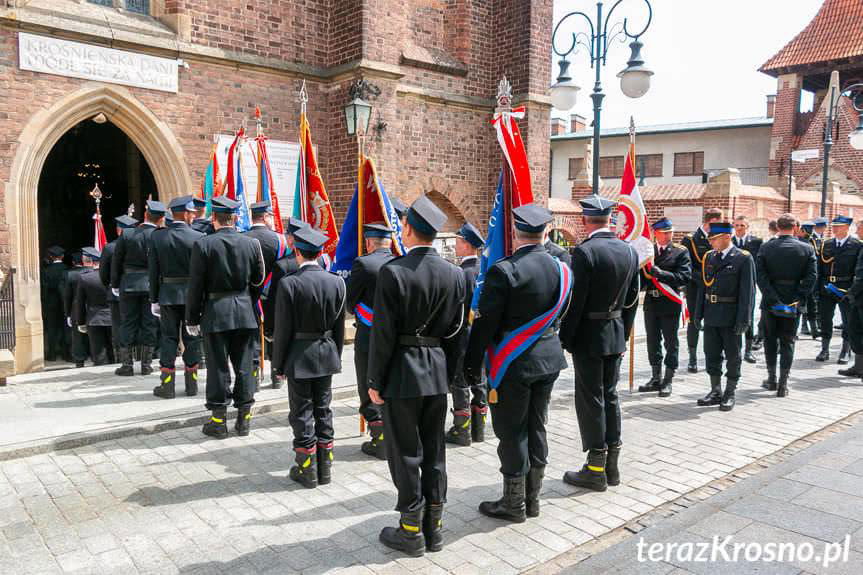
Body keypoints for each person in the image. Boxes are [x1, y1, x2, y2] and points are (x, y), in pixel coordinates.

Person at [366, 195, 466, 556]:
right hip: (436, 371)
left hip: (403, 373)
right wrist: (450, 376)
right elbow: (457, 333)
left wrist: (375, 382)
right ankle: (434, 527)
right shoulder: (455, 274)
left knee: (406, 453)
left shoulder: (393, 272)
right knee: (434, 451)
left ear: (407, 229)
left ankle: (411, 530)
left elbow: (383, 335)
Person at [465, 204, 571, 522]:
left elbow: (485, 325)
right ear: (544, 232)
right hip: (550, 358)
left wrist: (472, 365)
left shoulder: (504, 270)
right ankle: (533, 499)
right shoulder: (561, 267)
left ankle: (514, 505)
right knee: (537, 426)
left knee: (512, 431)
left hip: (515, 363)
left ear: (514, 232)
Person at [560, 195, 639, 493]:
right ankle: (612, 465)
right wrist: (624, 333)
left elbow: (575, 303)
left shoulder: (584, 253)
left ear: (584, 220)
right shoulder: (629, 251)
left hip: (589, 335)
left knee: (591, 399)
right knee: (610, 396)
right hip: (616, 332)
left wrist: (566, 338)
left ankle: (595, 468)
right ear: (610, 219)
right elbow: (632, 300)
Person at [272, 226, 346, 489]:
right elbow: (338, 326)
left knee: (302, 412)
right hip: (326, 352)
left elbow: (282, 330)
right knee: (323, 409)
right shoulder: (336, 281)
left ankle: (307, 470)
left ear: (297, 252)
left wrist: (278, 364)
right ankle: (325, 469)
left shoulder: (290, 283)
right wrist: (335, 354)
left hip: (299, 355)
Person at [186, 196, 265, 439]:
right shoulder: (251, 244)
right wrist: (246, 299)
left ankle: (218, 422)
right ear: (236, 217)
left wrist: (191, 318)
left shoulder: (204, 244)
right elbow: (258, 279)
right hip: (243, 311)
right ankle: (244, 420)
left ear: (214, 219)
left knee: (218, 367)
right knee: (244, 366)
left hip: (215, 311)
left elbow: (196, 285)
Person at [345, 223, 396, 459]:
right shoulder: (401, 262)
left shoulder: (363, 264)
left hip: (369, 336)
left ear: (368, 243)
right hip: (396, 337)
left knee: (368, 383)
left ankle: (380, 438)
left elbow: (350, 301)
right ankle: (394, 434)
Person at [693, 222, 755, 412]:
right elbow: (703, 287)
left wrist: (744, 320)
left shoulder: (743, 258)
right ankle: (715, 390)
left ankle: (730, 392)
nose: (711, 243)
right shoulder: (709, 257)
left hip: (731, 315)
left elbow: (748, 292)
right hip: (711, 314)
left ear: (727, 237)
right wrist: (698, 313)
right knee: (711, 354)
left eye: (714, 239)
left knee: (733, 356)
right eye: (710, 239)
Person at [149, 196, 205, 398]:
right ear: (186, 213)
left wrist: (154, 298)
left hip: (168, 295)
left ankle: (167, 386)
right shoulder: (198, 237)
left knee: (168, 338)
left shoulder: (158, 237)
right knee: (192, 339)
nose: (194, 216)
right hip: (191, 296)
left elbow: (153, 271)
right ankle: (192, 385)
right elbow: (201, 273)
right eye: (192, 213)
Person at [756, 214, 816, 396]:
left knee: (770, 339)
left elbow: (761, 277)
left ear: (778, 227)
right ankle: (783, 383)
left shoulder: (766, 247)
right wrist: (798, 297)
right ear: (796, 227)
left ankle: (772, 378)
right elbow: (811, 277)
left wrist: (773, 298)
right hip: (793, 301)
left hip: (770, 301)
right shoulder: (806, 248)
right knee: (788, 342)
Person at [638, 218, 691, 397]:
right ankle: (655, 377)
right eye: (664, 232)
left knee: (671, 342)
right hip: (651, 303)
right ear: (655, 233)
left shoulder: (680, 252)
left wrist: (663, 274)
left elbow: (685, 276)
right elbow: (642, 279)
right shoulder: (648, 252)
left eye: (670, 232)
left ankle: (668, 379)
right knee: (652, 341)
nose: (668, 235)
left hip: (670, 302)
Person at [445, 221, 488, 447]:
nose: (455, 245)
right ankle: (479, 429)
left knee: (460, 380)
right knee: (479, 377)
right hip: (481, 333)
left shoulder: (461, 274)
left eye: (458, 241)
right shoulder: (485, 270)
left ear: (466, 245)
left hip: (462, 333)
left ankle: (462, 430)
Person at [111, 200, 164, 376]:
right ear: (160, 219)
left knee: (128, 322)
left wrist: (115, 283)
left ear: (145, 216)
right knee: (149, 323)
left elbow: (116, 263)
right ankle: (146, 364)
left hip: (129, 283)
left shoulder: (127, 234)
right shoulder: (160, 235)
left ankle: (127, 365)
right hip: (151, 284)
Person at [244, 200, 289, 388]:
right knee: (276, 332)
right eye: (270, 216)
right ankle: (276, 375)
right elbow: (285, 267)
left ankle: (254, 375)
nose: (272, 219)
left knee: (252, 335)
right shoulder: (281, 240)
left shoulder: (242, 237)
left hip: (249, 294)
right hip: (274, 294)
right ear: (265, 216)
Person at [682, 208, 724, 373]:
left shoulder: (719, 238)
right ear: (711, 222)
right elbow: (687, 267)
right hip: (696, 288)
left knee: (714, 322)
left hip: (715, 289)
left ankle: (712, 355)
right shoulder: (690, 240)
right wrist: (706, 279)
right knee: (694, 322)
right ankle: (692, 358)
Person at [816, 215, 860, 365]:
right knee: (825, 318)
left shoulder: (856, 245)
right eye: (833, 226)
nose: (834, 229)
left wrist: (853, 290)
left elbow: (858, 270)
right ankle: (824, 349)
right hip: (827, 287)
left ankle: (845, 350)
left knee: (848, 320)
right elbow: (820, 268)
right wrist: (819, 287)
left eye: (838, 226)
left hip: (846, 287)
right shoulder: (826, 244)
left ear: (847, 227)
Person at [101, 215, 139, 363]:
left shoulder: (110, 248)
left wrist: (110, 286)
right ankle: (142, 356)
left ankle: (122, 359)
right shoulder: (140, 243)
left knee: (118, 325)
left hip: (116, 291)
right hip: (137, 289)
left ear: (118, 230)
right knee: (138, 322)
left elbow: (104, 273)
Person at [74, 247, 113, 366]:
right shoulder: (113, 276)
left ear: (90, 262)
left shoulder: (85, 278)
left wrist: (80, 322)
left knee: (98, 352)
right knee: (115, 350)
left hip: (94, 319)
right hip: (114, 317)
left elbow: (80, 302)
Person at [732, 215, 763, 364]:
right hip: (731, 286)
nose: (739, 228)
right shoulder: (729, 241)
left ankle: (748, 350)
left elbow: (760, 263)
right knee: (732, 317)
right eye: (736, 225)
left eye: (742, 225)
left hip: (749, 285)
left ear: (747, 227)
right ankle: (733, 349)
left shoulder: (756, 242)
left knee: (748, 316)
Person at [41, 245, 67, 362]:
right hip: (65, 302)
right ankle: (67, 354)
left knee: (51, 329)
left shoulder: (46, 270)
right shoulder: (67, 269)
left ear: (51, 256)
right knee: (66, 328)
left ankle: (51, 354)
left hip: (51, 303)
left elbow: (44, 289)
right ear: (62, 256)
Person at [62, 251, 88, 368]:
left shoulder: (71, 275)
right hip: (92, 308)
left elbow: (67, 296)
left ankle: (79, 360)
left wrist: (67, 313)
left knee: (77, 336)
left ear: (73, 262)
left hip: (76, 309)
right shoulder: (91, 272)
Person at [797, 221, 822, 339]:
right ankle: (805, 328)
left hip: (808, 278)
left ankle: (813, 329)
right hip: (803, 278)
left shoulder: (812, 243)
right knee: (801, 305)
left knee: (810, 304)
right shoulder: (798, 242)